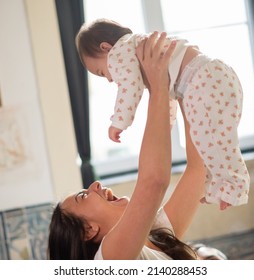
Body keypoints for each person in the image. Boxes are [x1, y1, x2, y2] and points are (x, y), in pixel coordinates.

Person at [48, 32, 206, 260]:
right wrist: (158, 83)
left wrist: (183, 83)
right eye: (83, 196)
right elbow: (153, 182)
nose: (95, 185)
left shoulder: (156, 235)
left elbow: (199, 168)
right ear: (88, 230)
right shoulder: (107, 261)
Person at [75, 18, 250, 210]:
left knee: (213, 140)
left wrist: (119, 121)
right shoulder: (139, 47)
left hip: (203, 79)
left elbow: (129, 88)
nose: (109, 78)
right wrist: (164, 125)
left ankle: (235, 188)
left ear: (106, 47)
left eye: (101, 72)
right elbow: (167, 95)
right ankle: (217, 189)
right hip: (215, 75)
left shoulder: (120, 51)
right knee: (207, 141)